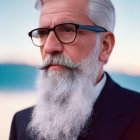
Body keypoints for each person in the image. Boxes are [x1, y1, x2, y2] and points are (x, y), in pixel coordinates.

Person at [9, 0, 140, 140]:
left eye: (67, 29)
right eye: (43, 33)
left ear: (105, 46)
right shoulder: (21, 123)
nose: (49, 47)